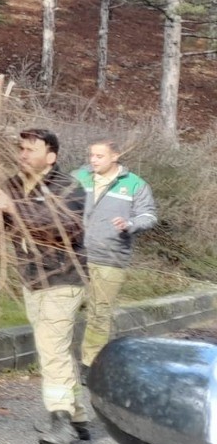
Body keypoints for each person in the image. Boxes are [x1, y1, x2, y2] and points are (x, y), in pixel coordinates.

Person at [0, 128, 88, 444]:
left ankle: (61, 424)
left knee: (52, 348)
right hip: (32, 280)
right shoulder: (12, 186)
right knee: (54, 349)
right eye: (22, 149)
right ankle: (78, 418)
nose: (23, 155)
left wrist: (13, 208)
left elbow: (65, 228)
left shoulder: (69, 187)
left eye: (31, 149)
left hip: (64, 278)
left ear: (51, 156)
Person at [76, 140, 159, 378]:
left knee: (99, 313)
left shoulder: (134, 184)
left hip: (110, 258)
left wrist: (130, 224)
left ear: (115, 156)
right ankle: (58, 361)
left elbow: (148, 215)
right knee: (62, 307)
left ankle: (90, 364)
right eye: (92, 155)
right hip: (74, 254)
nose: (93, 160)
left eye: (99, 156)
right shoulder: (79, 177)